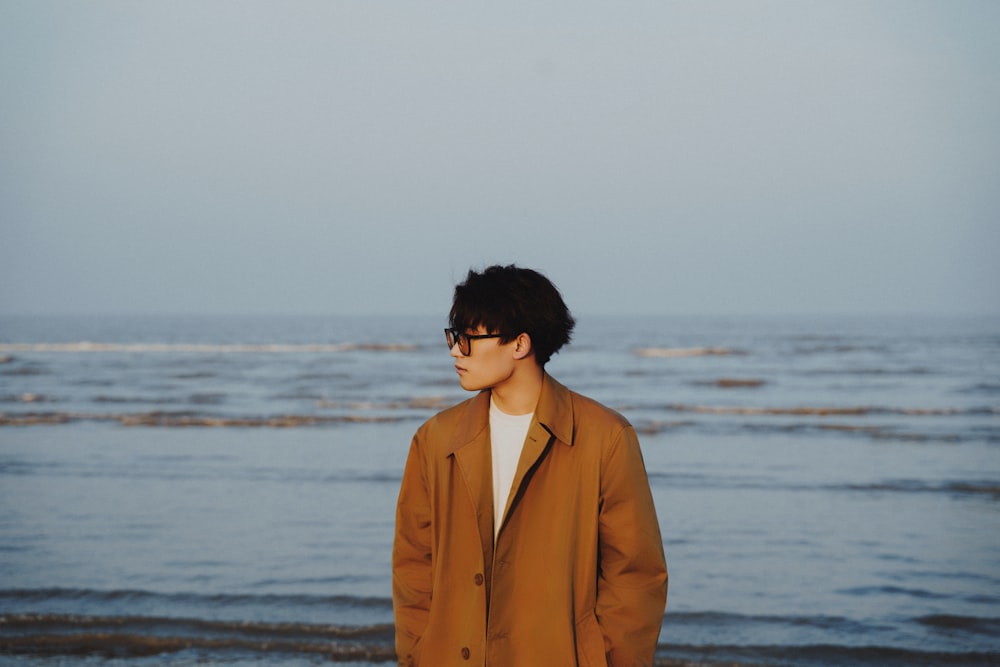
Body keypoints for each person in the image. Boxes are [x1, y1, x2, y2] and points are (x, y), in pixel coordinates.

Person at [392, 265, 667, 666]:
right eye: (454, 337)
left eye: (468, 338)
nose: (455, 350)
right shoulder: (435, 440)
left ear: (520, 344)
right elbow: (414, 567)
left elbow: (636, 576)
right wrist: (416, 654)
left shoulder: (605, 438)